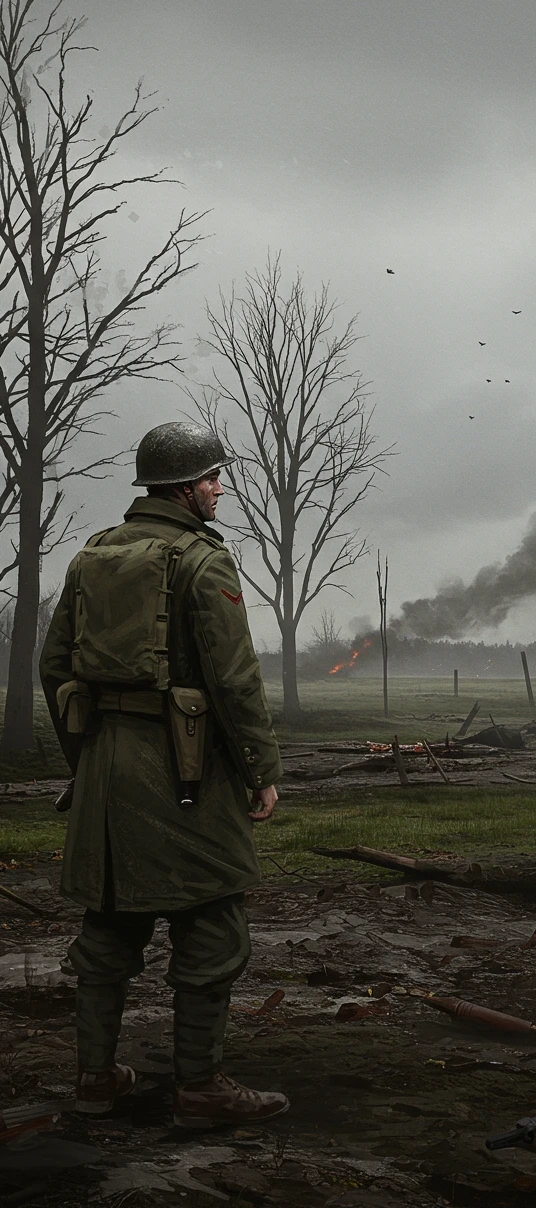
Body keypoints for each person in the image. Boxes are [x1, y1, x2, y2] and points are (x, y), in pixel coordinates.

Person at [39, 421, 289, 1129]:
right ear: (184, 488)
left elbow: (54, 667)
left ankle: (95, 1081)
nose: (219, 489)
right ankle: (201, 1088)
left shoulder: (91, 555)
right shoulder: (202, 561)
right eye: (211, 478)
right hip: (185, 770)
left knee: (108, 924)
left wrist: (87, 761)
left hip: (104, 770)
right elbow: (234, 680)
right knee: (213, 922)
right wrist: (260, 770)